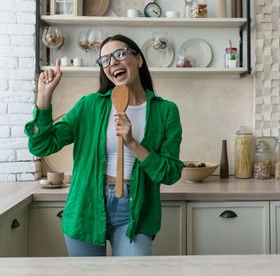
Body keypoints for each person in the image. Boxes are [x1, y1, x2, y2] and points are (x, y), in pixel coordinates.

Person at [24, 34, 184, 256]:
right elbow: (41, 146)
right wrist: (44, 97)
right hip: (86, 205)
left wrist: (132, 143)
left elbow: (171, 173)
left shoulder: (166, 111)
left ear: (138, 60)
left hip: (135, 210)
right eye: (105, 60)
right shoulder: (89, 106)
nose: (113, 63)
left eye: (119, 54)